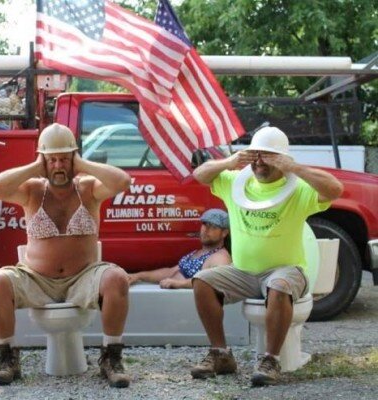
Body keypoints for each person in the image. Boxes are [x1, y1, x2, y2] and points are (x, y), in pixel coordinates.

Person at [190, 126, 343, 386]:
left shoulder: (298, 190)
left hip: (287, 270)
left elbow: (335, 189)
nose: (260, 162)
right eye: (256, 155)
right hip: (243, 271)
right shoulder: (235, 183)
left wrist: (294, 167)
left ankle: (271, 359)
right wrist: (230, 161)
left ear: (282, 159)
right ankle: (220, 354)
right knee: (202, 281)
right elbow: (199, 174)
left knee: (278, 285)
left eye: (268, 156)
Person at [0, 123, 132, 387]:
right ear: (43, 160)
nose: (58, 166)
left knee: (117, 278)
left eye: (64, 159)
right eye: (52, 160)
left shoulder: (89, 188)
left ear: (74, 158)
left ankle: (111, 357)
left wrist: (82, 164)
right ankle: (8, 358)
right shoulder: (32, 189)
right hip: (36, 278)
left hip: (83, 277)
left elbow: (123, 181)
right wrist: (34, 167)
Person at [127, 209, 231, 289]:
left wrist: (180, 284)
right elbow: (170, 272)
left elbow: (214, 282)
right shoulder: (198, 253)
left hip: (187, 306)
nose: (206, 230)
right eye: (204, 224)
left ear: (224, 233)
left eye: (213, 227)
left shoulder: (220, 257)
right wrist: (139, 276)